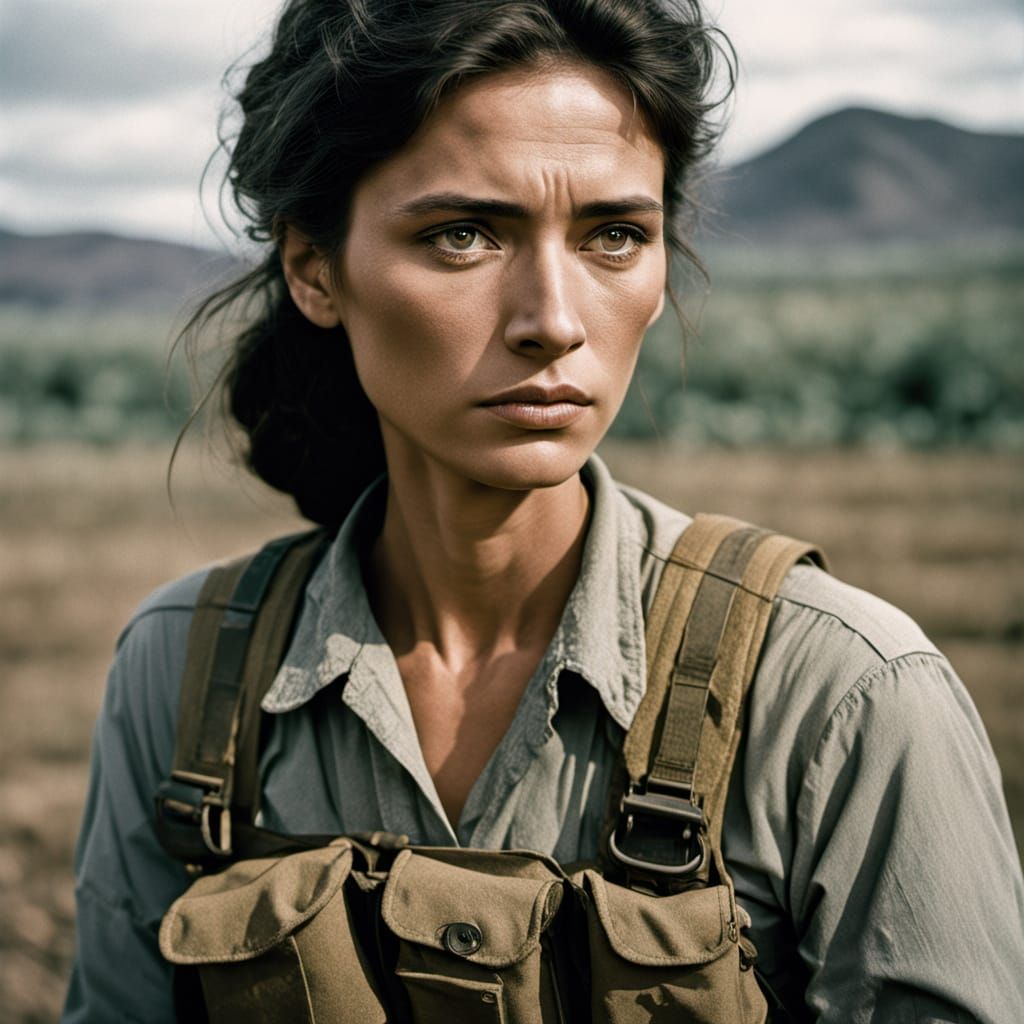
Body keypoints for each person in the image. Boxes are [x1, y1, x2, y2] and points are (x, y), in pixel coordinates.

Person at [63, 0, 1024, 1021]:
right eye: (465, 234)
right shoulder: (182, 673)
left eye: (614, 235)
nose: (554, 322)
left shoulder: (843, 692)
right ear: (314, 267)